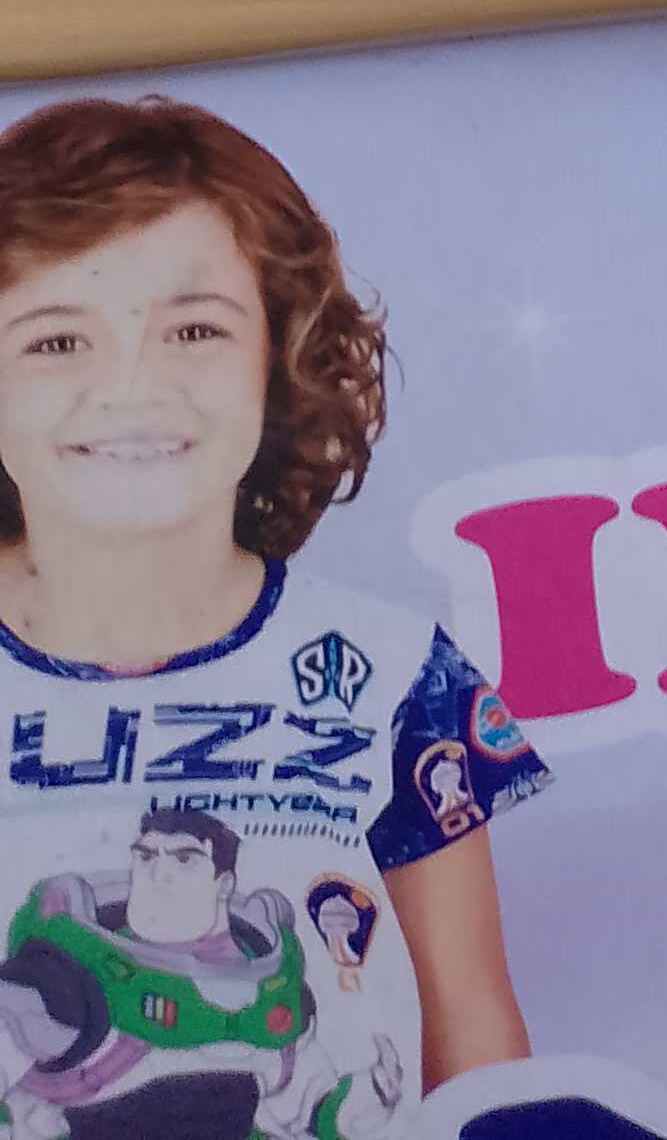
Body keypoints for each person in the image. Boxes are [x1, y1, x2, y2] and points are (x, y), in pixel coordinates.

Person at [0, 101, 544, 1137]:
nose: (131, 387)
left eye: (195, 330)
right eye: (57, 339)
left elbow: (476, 1049)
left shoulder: (395, 675)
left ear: (281, 354)